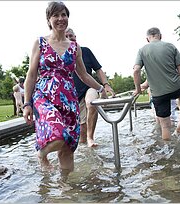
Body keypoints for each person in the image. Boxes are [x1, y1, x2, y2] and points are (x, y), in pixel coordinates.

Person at [23, 1, 107, 175]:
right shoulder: (40, 43)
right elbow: (31, 75)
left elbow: (83, 75)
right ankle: (42, 154)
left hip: (69, 99)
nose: (61, 19)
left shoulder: (75, 47)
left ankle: (65, 188)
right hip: (44, 96)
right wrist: (26, 103)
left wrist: (101, 88)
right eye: (56, 15)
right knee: (58, 134)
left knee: (69, 147)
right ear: (48, 19)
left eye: (64, 15)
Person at [133, 27, 180, 140]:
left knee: (165, 126)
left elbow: (136, 70)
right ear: (160, 36)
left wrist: (137, 89)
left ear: (147, 39)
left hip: (158, 94)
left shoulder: (142, 51)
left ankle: (168, 152)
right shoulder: (170, 46)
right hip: (176, 87)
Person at [65, 28, 115, 147]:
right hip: (72, 93)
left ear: (75, 37)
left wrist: (105, 85)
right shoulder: (61, 55)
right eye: (66, 36)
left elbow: (98, 69)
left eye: (71, 36)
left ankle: (90, 138)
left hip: (89, 87)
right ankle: (84, 143)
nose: (69, 38)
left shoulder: (85, 51)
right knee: (81, 130)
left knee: (91, 103)